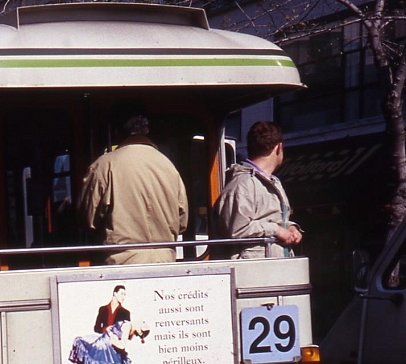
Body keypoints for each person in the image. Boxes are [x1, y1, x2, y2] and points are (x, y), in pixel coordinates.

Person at [79, 112, 189, 264]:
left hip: (122, 262)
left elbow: (89, 219)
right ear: (147, 131)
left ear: (116, 132)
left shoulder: (104, 165)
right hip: (165, 260)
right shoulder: (168, 165)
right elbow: (182, 221)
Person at [213, 121, 303, 259]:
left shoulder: (272, 182)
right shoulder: (243, 183)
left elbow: (270, 219)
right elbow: (236, 227)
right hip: (255, 271)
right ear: (279, 148)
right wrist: (277, 230)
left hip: (274, 267)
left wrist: (291, 228)